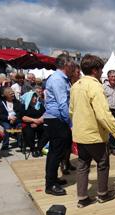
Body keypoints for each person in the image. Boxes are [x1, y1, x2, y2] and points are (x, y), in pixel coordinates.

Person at [70, 54, 115, 208]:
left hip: (80, 133)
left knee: (82, 164)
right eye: (101, 69)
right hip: (94, 135)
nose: (102, 73)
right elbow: (103, 113)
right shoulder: (95, 86)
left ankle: (82, 197)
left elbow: (71, 111)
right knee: (102, 163)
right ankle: (102, 194)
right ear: (95, 70)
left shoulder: (75, 86)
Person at [43, 54, 76, 196]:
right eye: (72, 65)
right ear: (66, 65)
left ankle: (53, 179)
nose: (74, 67)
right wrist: (70, 123)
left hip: (56, 119)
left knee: (57, 151)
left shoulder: (60, 79)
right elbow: (62, 103)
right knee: (56, 152)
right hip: (57, 119)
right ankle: (50, 184)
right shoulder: (58, 80)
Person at [20, 91, 46, 158]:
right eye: (33, 97)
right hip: (28, 124)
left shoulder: (40, 105)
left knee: (46, 131)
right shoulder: (24, 106)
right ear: (29, 98)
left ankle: (39, 148)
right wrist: (34, 120)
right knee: (29, 132)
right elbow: (24, 117)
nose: (35, 98)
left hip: (40, 123)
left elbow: (45, 114)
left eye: (35, 96)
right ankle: (33, 149)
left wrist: (38, 122)